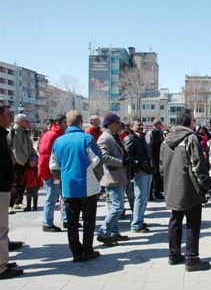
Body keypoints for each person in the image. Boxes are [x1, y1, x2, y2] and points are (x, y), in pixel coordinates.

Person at [160, 108, 211, 271]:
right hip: (189, 189)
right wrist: (209, 187)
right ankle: (192, 258)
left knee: (175, 221)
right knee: (193, 223)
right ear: (188, 121)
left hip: (172, 187)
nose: (195, 123)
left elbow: (161, 167)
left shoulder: (166, 139)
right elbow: (199, 166)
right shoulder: (191, 138)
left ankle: (174, 255)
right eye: (193, 120)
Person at [50, 110, 103, 262]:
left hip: (68, 187)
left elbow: (53, 165)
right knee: (88, 221)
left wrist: (63, 178)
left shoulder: (59, 141)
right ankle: (87, 250)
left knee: (72, 223)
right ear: (81, 123)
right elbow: (97, 161)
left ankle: (75, 252)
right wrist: (96, 179)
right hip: (87, 186)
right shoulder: (87, 138)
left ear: (67, 123)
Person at [96, 112, 129, 246]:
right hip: (112, 177)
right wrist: (121, 161)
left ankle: (114, 233)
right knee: (117, 207)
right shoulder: (104, 138)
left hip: (119, 176)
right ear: (109, 124)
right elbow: (103, 157)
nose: (119, 124)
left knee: (114, 207)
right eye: (117, 122)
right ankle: (104, 233)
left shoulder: (114, 137)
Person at [0, 102, 24, 279]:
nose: (10, 117)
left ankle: (3, 259)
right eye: (8, 114)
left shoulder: (3, 135)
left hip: (4, 186)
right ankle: (1, 266)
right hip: (0, 187)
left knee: (3, 228)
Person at [38, 115, 68, 232]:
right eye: (65, 122)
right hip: (52, 173)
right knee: (51, 198)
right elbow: (46, 156)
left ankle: (66, 220)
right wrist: (52, 172)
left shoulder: (58, 135)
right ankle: (47, 223)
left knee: (64, 196)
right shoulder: (52, 135)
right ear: (59, 123)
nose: (67, 124)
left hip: (58, 172)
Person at [123, 119, 153, 233]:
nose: (140, 126)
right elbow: (127, 156)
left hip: (147, 171)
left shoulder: (141, 138)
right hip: (140, 172)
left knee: (144, 199)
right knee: (140, 198)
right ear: (131, 127)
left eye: (141, 125)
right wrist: (138, 169)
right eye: (138, 125)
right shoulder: (130, 139)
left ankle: (139, 220)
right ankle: (136, 224)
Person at [7, 113, 37, 213]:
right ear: (19, 122)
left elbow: (30, 146)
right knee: (15, 183)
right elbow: (8, 147)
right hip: (16, 161)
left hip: (26, 161)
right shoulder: (12, 132)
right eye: (25, 121)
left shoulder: (25, 132)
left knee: (23, 182)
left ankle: (18, 202)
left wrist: (34, 156)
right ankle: (9, 204)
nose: (27, 122)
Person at [145, 119, 164, 200]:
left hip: (158, 157)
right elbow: (149, 146)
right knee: (152, 176)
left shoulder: (159, 133)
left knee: (158, 176)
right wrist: (151, 159)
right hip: (153, 157)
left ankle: (157, 192)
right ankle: (149, 194)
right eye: (160, 125)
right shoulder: (151, 133)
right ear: (157, 125)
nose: (162, 126)